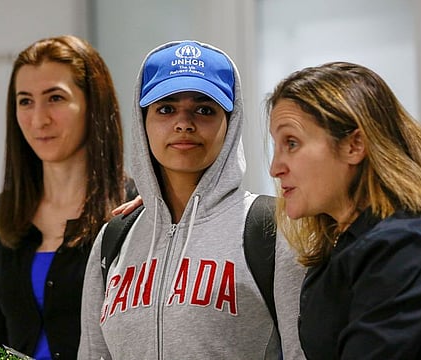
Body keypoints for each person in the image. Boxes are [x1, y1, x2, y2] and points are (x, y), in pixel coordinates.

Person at [78, 40, 305, 359]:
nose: (184, 123)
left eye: (204, 109)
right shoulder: (113, 240)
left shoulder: (272, 229)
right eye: (166, 108)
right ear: (143, 120)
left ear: (230, 121)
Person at [267, 61, 421, 359]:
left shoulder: (407, 247)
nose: (275, 168)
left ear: (354, 145)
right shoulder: (336, 247)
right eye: (276, 146)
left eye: (292, 143)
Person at [0, 35, 136, 360]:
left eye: (55, 98)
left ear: (93, 103)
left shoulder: (134, 210)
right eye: (25, 101)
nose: (39, 119)